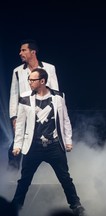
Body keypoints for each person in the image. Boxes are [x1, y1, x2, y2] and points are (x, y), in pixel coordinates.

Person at [11, 68, 84, 216]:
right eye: (29, 80)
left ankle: (76, 205)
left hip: (54, 146)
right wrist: (17, 145)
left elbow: (65, 120)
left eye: (33, 80)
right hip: (33, 146)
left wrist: (68, 140)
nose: (29, 82)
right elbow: (20, 125)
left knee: (65, 178)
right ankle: (15, 207)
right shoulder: (25, 98)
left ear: (42, 81)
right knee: (24, 180)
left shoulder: (58, 96)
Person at [8, 39, 59, 170]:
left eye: (23, 50)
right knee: (17, 143)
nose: (20, 53)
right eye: (20, 50)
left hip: (44, 112)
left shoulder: (49, 68)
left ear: (33, 52)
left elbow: (55, 92)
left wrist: (56, 113)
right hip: (25, 112)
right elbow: (14, 95)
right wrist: (14, 117)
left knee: (45, 142)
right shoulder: (18, 71)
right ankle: (12, 174)